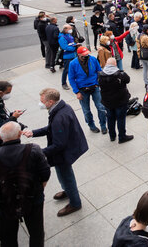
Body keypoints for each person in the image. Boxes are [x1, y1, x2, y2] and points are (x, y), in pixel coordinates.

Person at [0, 122, 50, 247]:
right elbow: (45, 174)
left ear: (0, 137)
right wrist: (38, 189)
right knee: (36, 233)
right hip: (33, 200)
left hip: (4, 204)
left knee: (7, 238)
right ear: (20, 134)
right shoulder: (33, 150)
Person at [24, 88, 88, 217]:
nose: (40, 103)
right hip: (68, 148)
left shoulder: (59, 117)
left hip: (64, 153)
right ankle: (67, 191)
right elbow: (51, 128)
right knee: (62, 173)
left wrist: (38, 153)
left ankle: (75, 203)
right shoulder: (61, 108)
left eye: (42, 101)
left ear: (51, 101)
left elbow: (59, 144)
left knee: (66, 176)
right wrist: (33, 133)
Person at [68, 46, 107, 134]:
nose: (86, 56)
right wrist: (77, 92)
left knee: (101, 107)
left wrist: (98, 84)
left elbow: (99, 71)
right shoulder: (73, 64)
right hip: (82, 90)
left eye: (87, 54)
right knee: (86, 110)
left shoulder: (92, 59)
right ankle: (91, 125)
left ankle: (103, 125)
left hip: (94, 87)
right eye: (84, 55)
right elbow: (71, 78)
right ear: (79, 55)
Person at [98, 58, 134, 144]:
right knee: (121, 119)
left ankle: (112, 136)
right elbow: (128, 80)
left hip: (107, 102)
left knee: (110, 119)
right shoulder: (121, 74)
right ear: (115, 64)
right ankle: (122, 137)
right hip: (120, 101)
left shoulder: (100, 75)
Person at [59, 24, 78, 90]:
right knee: (66, 70)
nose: (71, 30)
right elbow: (64, 47)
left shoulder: (69, 35)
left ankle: (73, 82)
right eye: (70, 28)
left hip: (74, 55)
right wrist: (74, 48)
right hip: (67, 56)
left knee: (75, 69)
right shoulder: (62, 37)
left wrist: (76, 45)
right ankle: (64, 83)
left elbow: (71, 43)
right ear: (65, 29)